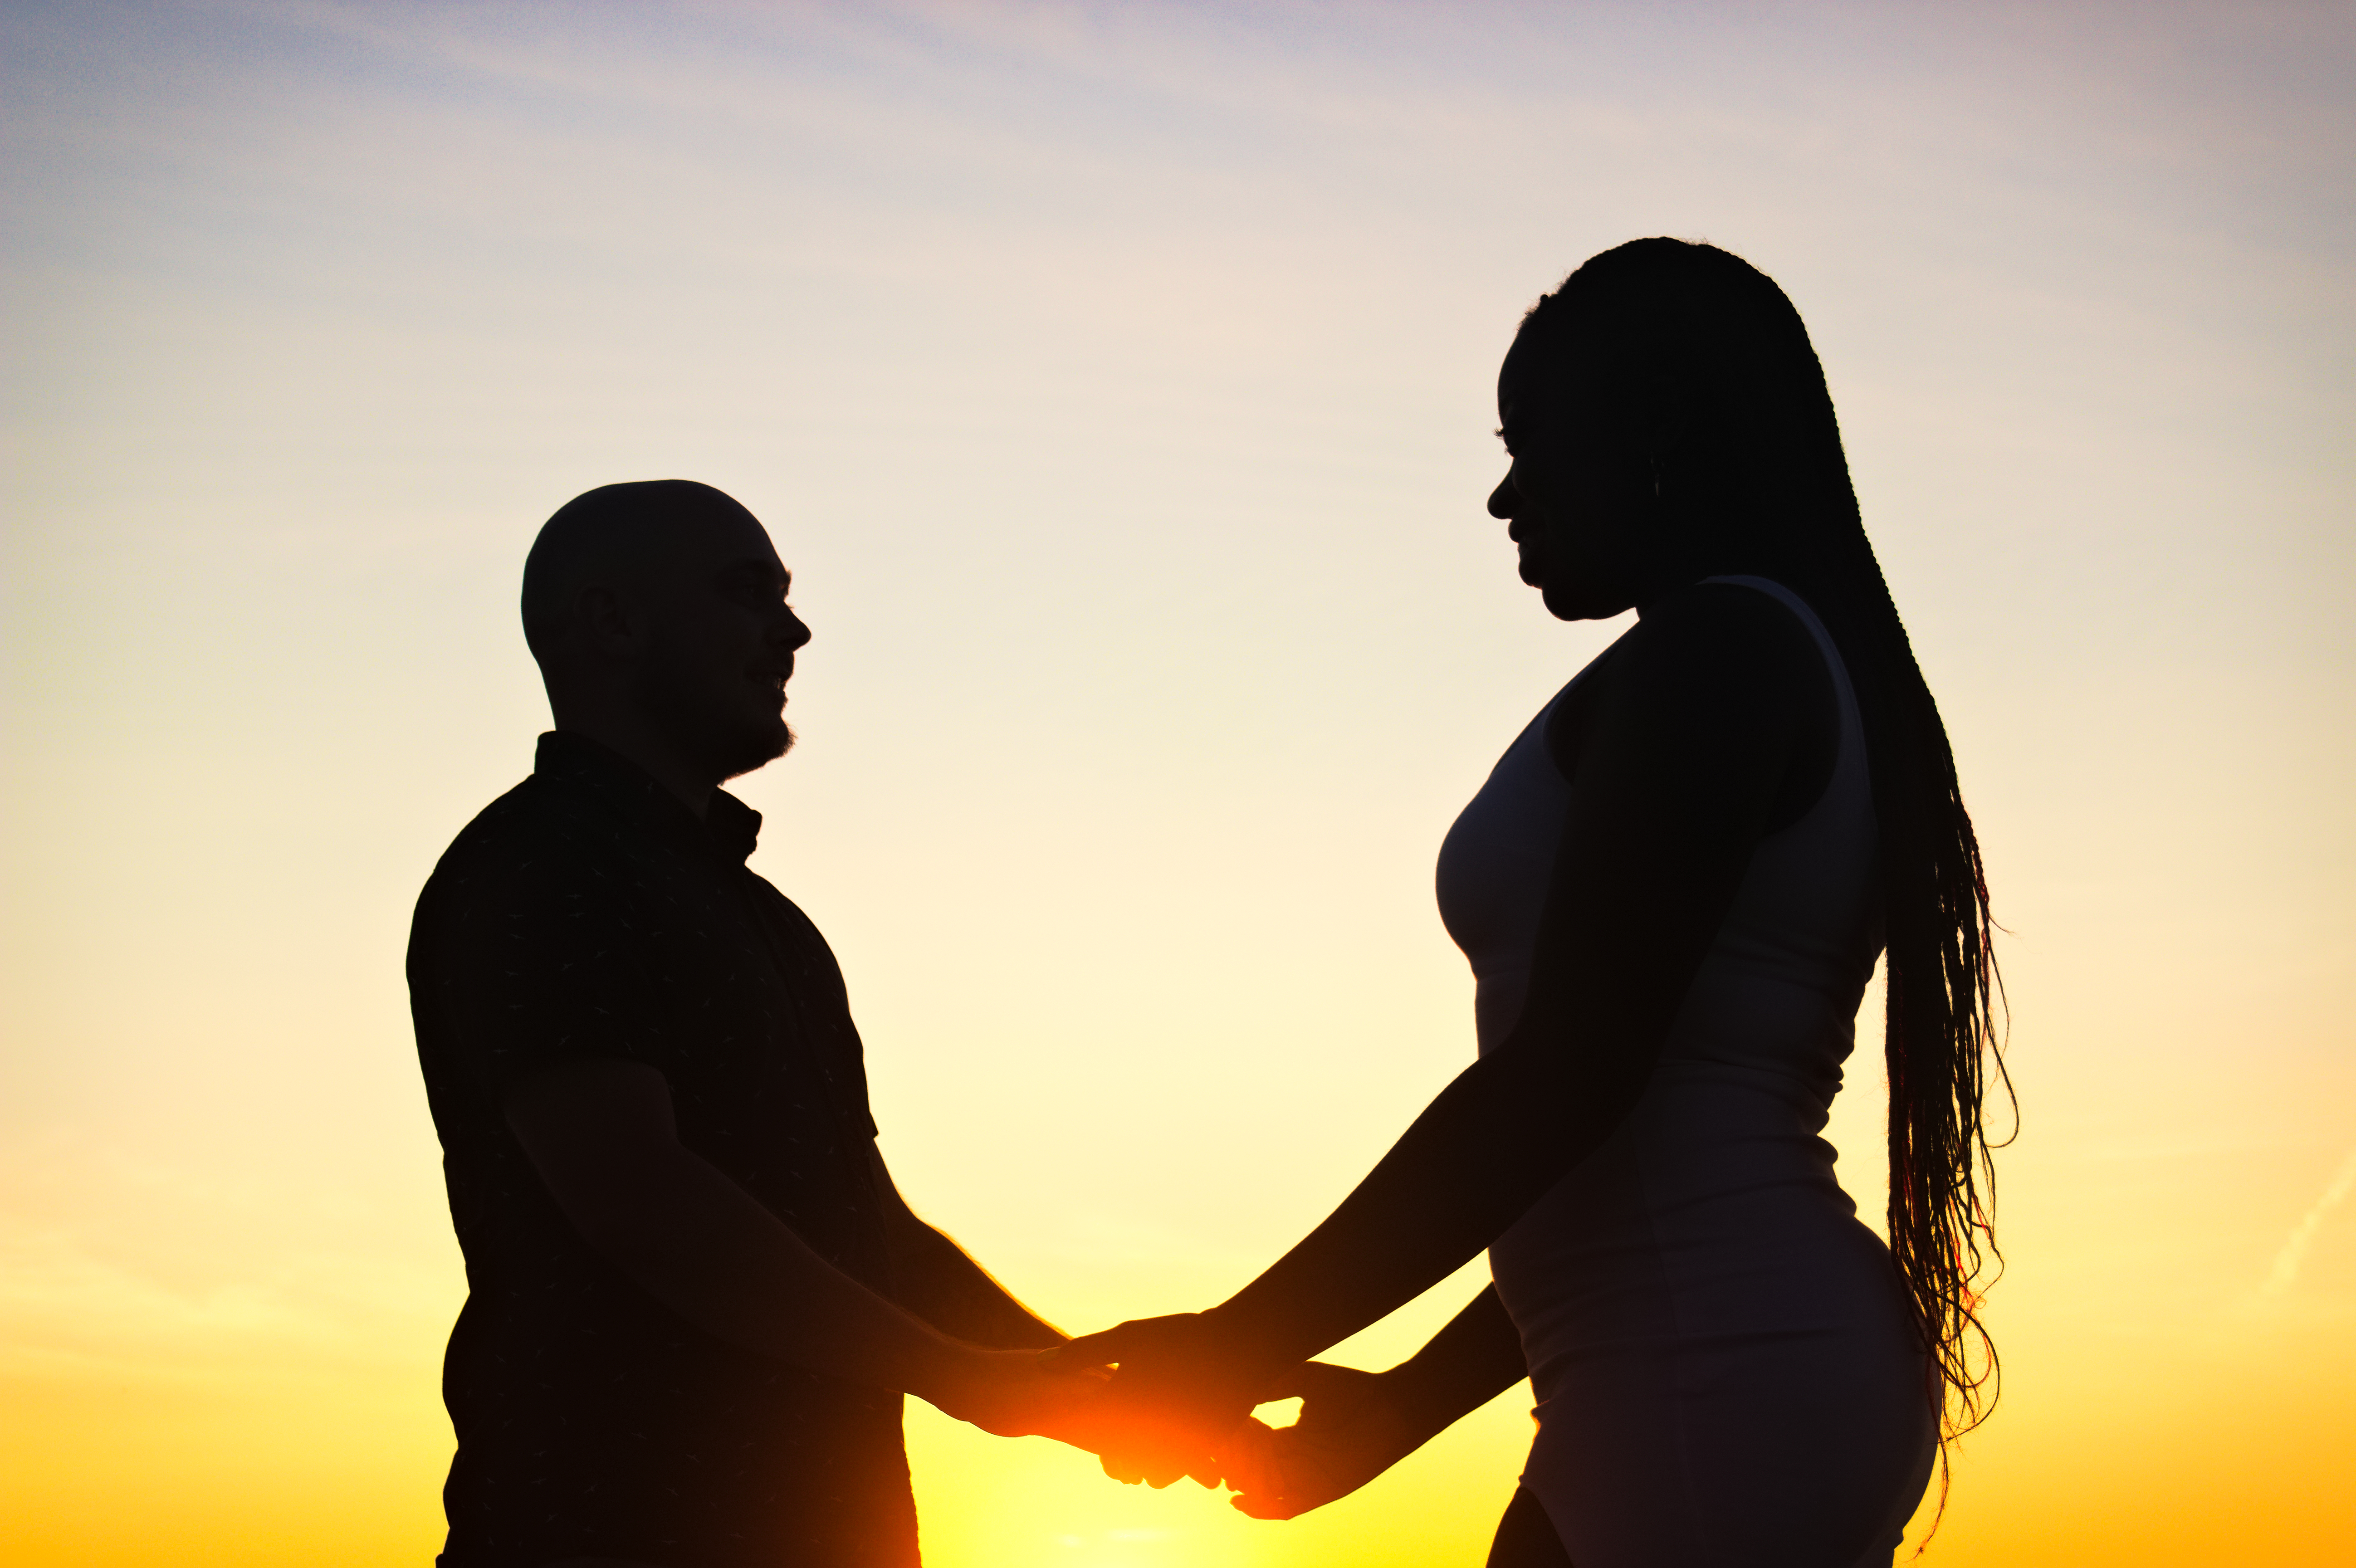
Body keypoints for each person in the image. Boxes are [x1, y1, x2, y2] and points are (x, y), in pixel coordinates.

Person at [1059, 239, 2009, 1566]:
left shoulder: (1717, 655)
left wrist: (1234, 1343)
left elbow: (1567, 1084)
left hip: (1707, 1366)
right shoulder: (1765, 653)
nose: (1507, 495)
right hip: (1710, 1355)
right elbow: (1612, 1147)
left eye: (1533, 439)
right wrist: (1394, 1406)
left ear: (1658, 429)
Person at [406, 480, 1108, 1568]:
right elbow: (643, 1200)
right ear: (613, 623)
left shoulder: (767, 920)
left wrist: (1093, 1386)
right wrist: (973, 1377)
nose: (793, 631)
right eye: (749, 595)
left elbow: (875, 1232)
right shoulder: (539, 869)